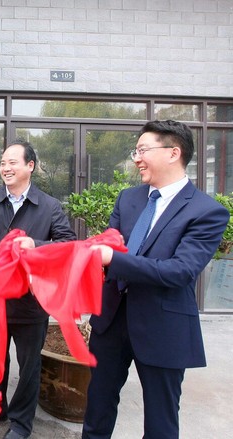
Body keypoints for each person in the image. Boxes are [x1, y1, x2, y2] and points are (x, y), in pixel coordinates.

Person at [82, 120, 230, 439]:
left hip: (163, 328)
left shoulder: (207, 212)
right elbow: (104, 247)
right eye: (135, 151)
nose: (137, 158)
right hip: (111, 322)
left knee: (160, 424)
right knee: (96, 411)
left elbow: (180, 271)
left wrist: (112, 259)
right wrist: (38, 248)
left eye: (143, 150)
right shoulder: (128, 199)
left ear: (173, 153)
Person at [0, 141, 77, 439]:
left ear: (30, 166)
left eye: (12, 162)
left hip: (31, 301)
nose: (6, 168)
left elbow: (67, 243)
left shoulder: (49, 206)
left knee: (29, 365)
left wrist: (36, 244)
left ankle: (21, 423)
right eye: (3, 163)